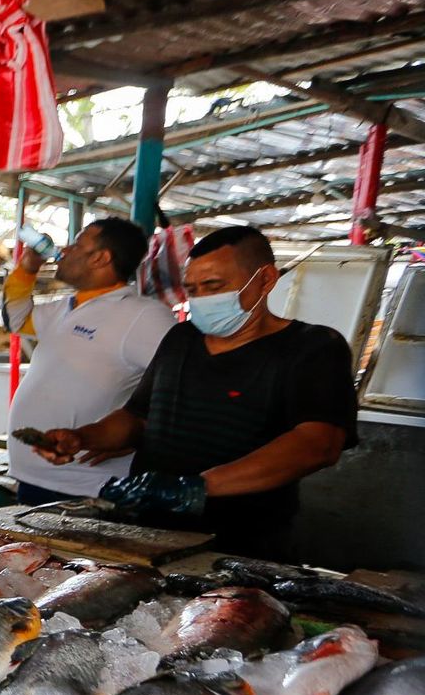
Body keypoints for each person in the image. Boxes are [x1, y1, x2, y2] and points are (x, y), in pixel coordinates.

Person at [33, 225, 357, 559]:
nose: (201, 298)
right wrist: (82, 437)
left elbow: (318, 444)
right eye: (193, 289)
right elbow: (137, 418)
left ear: (265, 279)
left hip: (242, 545)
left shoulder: (312, 348)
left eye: (214, 286)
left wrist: (197, 487)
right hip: (145, 534)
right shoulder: (182, 339)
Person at [3, 218, 176, 504]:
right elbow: (16, 319)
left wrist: (139, 434)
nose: (66, 250)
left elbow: (183, 383)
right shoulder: (65, 307)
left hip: (87, 487)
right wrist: (27, 269)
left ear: (100, 258)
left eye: (78, 244)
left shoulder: (143, 316)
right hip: (35, 477)